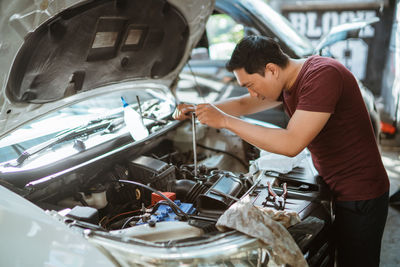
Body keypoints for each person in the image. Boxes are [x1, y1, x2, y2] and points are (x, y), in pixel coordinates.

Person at [173, 35, 389, 267]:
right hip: (338, 185)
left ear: (271, 69)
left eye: (250, 84)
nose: (253, 93)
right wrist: (199, 110)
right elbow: (245, 104)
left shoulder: (322, 75)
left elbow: (290, 143)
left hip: (360, 192)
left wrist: (225, 121)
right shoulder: (288, 83)